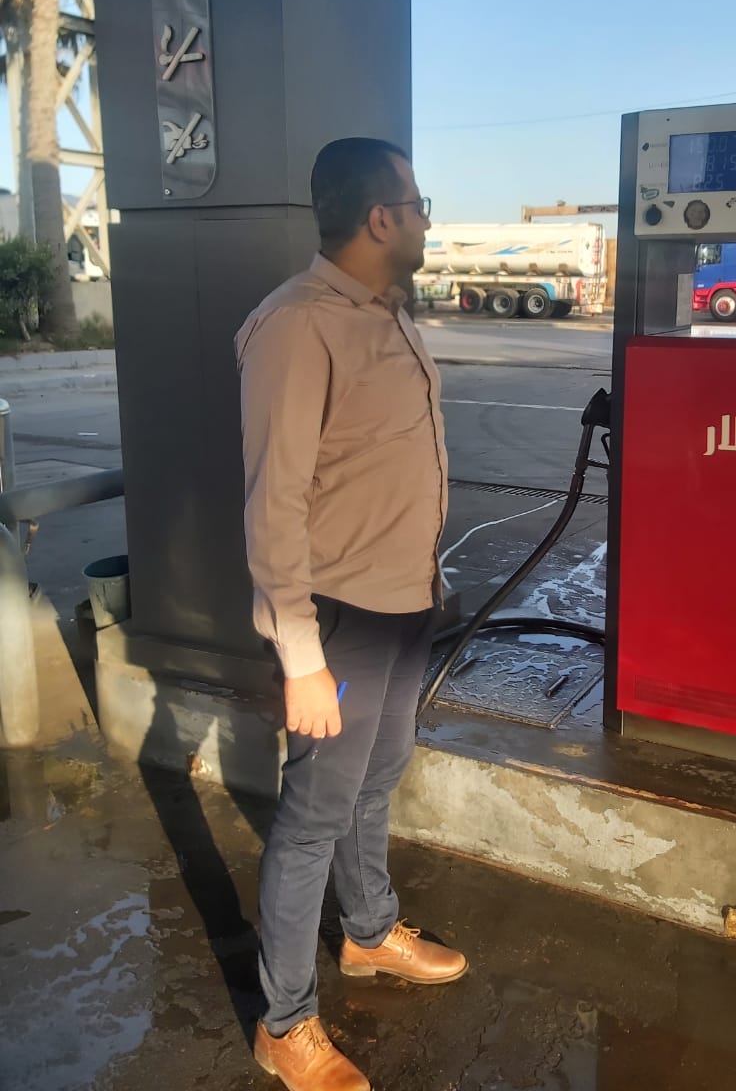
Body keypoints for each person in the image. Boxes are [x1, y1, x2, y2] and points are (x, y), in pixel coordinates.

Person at [236, 138, 466, 1091]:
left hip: (406, 603)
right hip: (340, 619)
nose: (425, 220)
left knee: (378, 782)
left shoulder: (389, 315)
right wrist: (300, 657)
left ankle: (368, 933)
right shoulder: (297, 326)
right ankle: (285, 1024)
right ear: (381, 217)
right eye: (417, 204)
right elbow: (273, 502)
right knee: (312, 819)